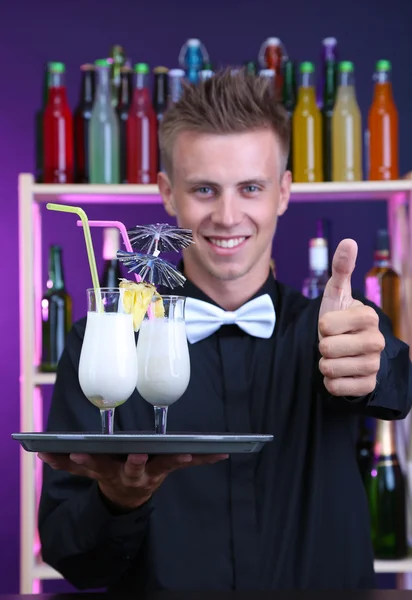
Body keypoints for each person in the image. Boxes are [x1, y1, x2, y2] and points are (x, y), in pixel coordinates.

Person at [38, 69, 412, 593]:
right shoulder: (103, 342)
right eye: (205, 189)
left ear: (283, 192)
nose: (228, 215)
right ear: (168, 194)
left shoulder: (336, 333)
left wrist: (376, 368)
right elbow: (68, 554)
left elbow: (395, 380)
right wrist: (119, 499)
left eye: (251, 188)